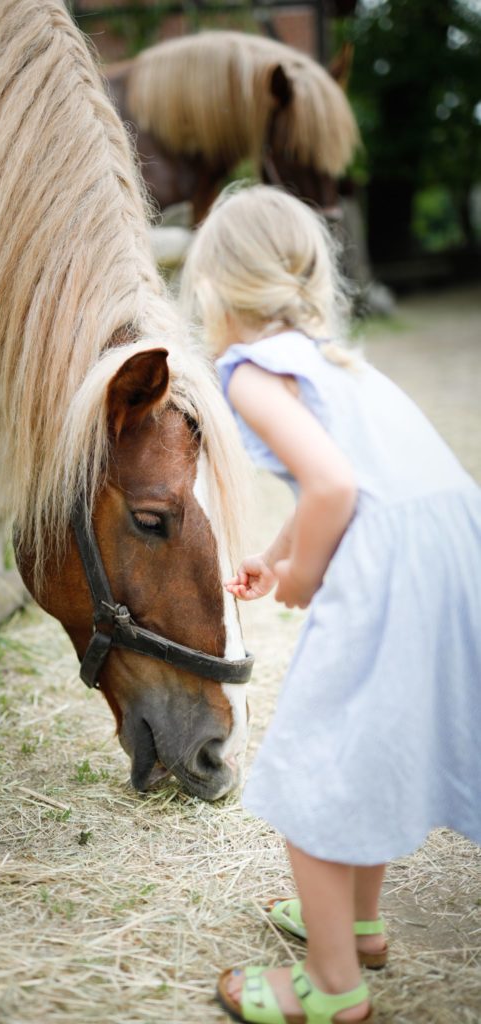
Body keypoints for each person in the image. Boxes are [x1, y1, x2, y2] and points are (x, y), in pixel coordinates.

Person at [180, 184, 481, 1024]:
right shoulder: (334, 359)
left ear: (213, 288)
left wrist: (306, 578)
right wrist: (276, 558)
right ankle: (355, 923)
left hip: (387, 562)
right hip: (449, 545)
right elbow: (359, 478)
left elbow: (335, 485)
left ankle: (332, 983)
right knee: (367, 748)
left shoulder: (245, 372)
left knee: (312, 767)